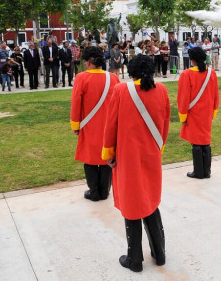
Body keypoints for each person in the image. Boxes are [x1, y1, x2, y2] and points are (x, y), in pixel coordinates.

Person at [102, 55, 170, 273]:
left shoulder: (122, 90)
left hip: (128, 156)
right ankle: (159, 254)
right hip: (151, 153)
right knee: (150, 201)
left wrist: (109, 153)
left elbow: (111, 124)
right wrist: (158, 148)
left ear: (131, 71)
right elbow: (165, 122)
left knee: (132, 205)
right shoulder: (161, 90)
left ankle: (135, 260)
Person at [70, 46, 120, 202]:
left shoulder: (81, 78)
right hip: (109, 126)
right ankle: (104, 191)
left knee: (90, 160)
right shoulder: (113, 77)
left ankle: (94, 191)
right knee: (107, 157)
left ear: (88, 61)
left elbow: (76, 103)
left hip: (89, 125)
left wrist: (75, 125)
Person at [177, 47, 219, 179]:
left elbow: (183, 97)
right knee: (205, 141)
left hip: (193, 113)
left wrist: (183, 116)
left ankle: (198, 172)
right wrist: (214, 111)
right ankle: (206, 171)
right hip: (206, 112)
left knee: (196, 142)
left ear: (192, 60)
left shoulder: (186, 74)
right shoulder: (211, 73)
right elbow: (215, 94)